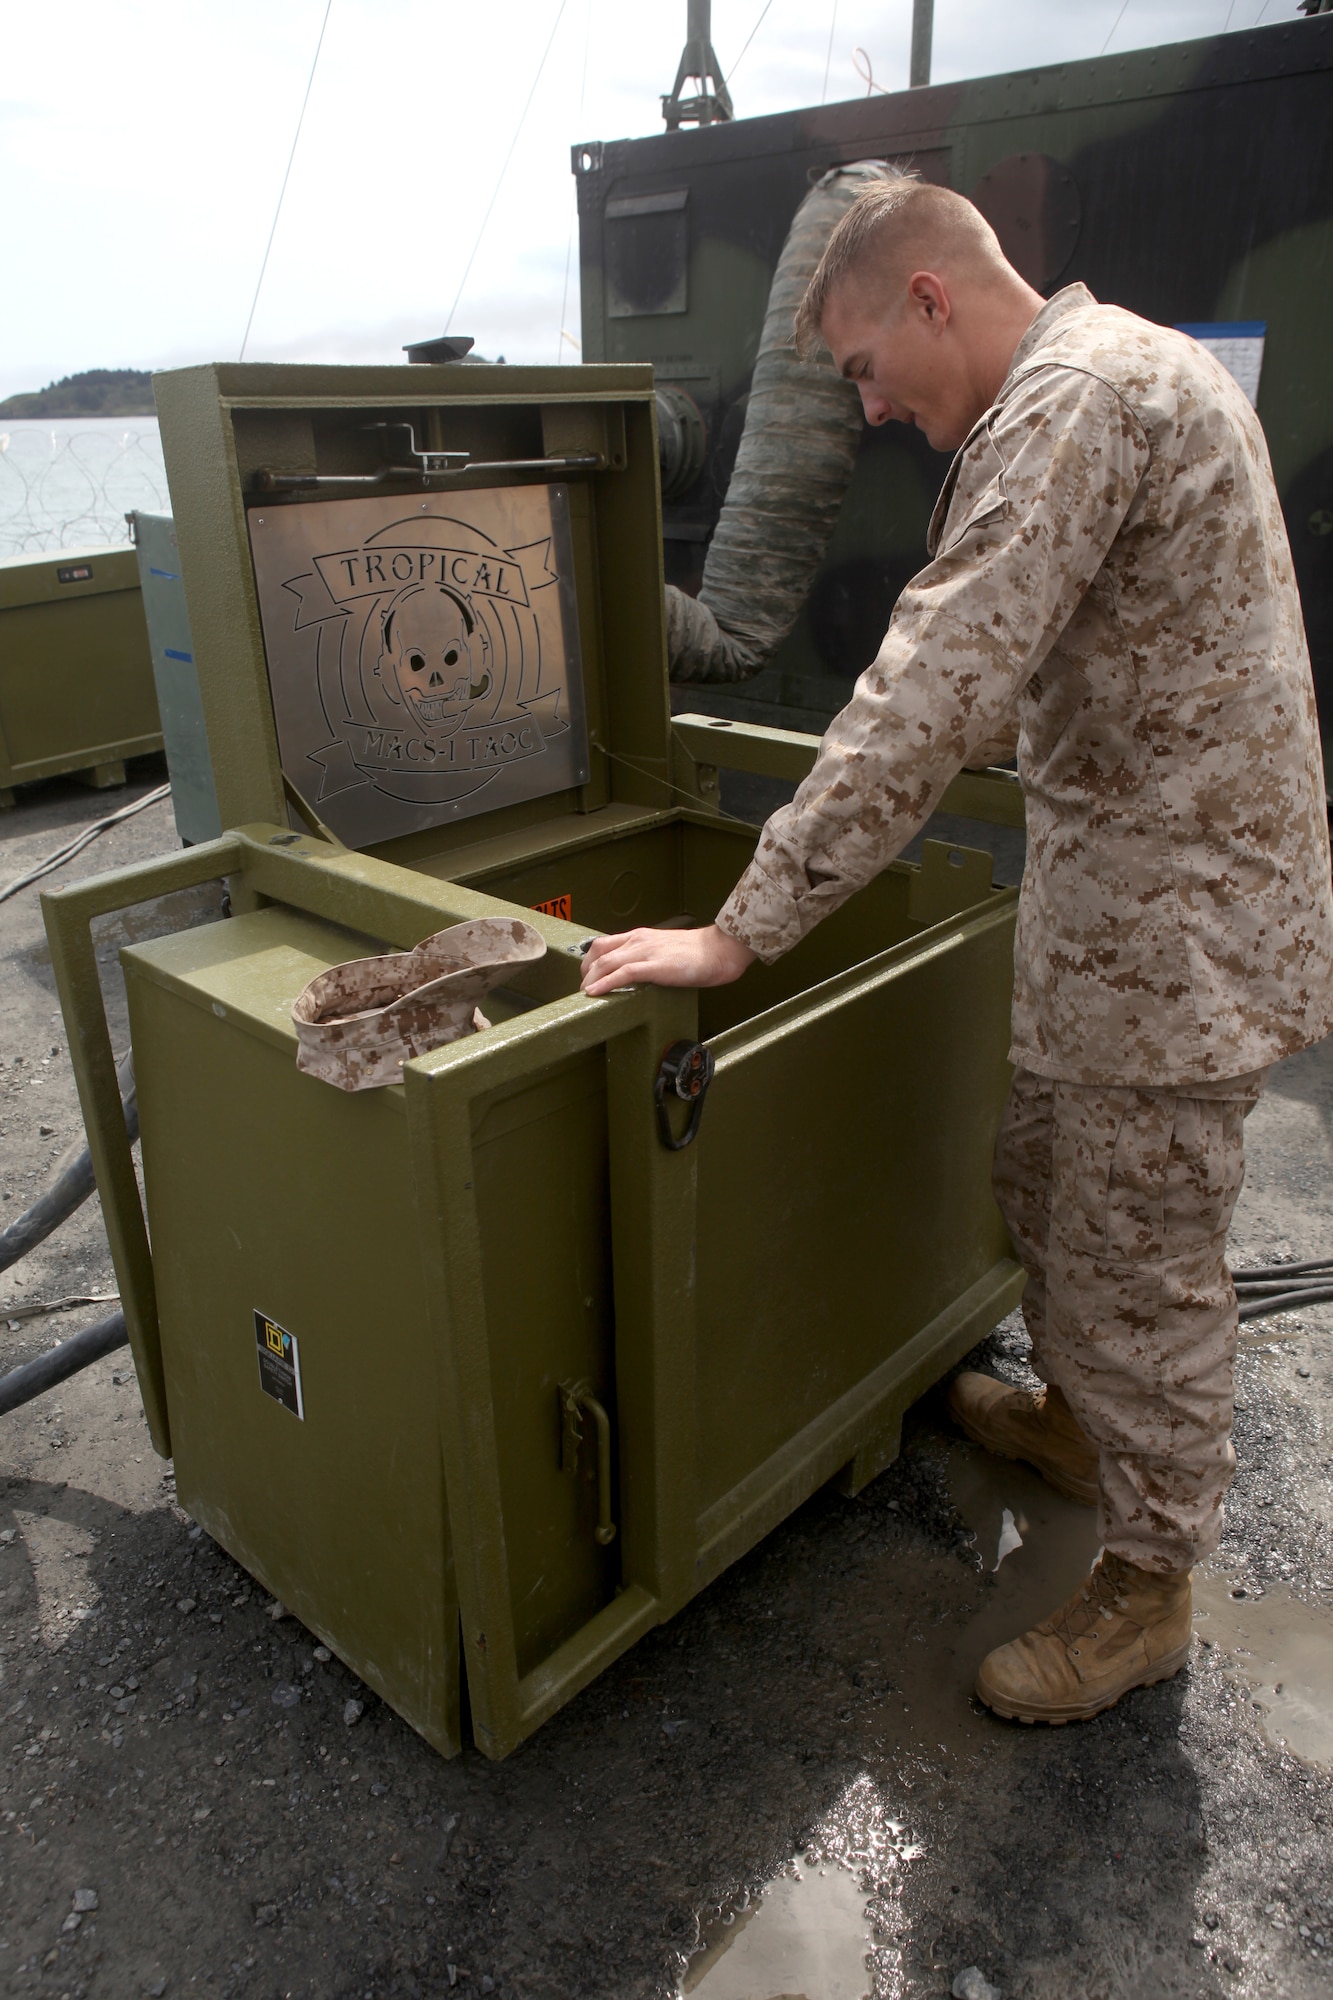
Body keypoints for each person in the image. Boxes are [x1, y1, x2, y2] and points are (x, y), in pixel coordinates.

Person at [580, 177, 1333, 1725]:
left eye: (861, 366)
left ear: (930, 297)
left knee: (1141, 1268)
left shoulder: (1071, 401)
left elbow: (930, 687)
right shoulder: (1122, 361)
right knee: (1047, 1189)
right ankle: (1079, 1421)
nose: (860, 406)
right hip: (1117, 909)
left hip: (1174, 940)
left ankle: (1146, 1586)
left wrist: (742, 930)